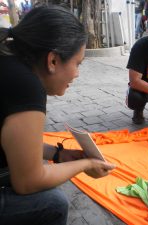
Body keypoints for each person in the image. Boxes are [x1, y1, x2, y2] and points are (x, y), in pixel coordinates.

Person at [0, 5, 115, 225]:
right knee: (52, 203)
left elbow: (11, 142)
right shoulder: (26, 85)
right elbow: (29, 181)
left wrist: (58, 154)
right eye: (77, 64)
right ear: (52, 61)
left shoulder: (9, 62)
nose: (77, 74)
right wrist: (86, 165)